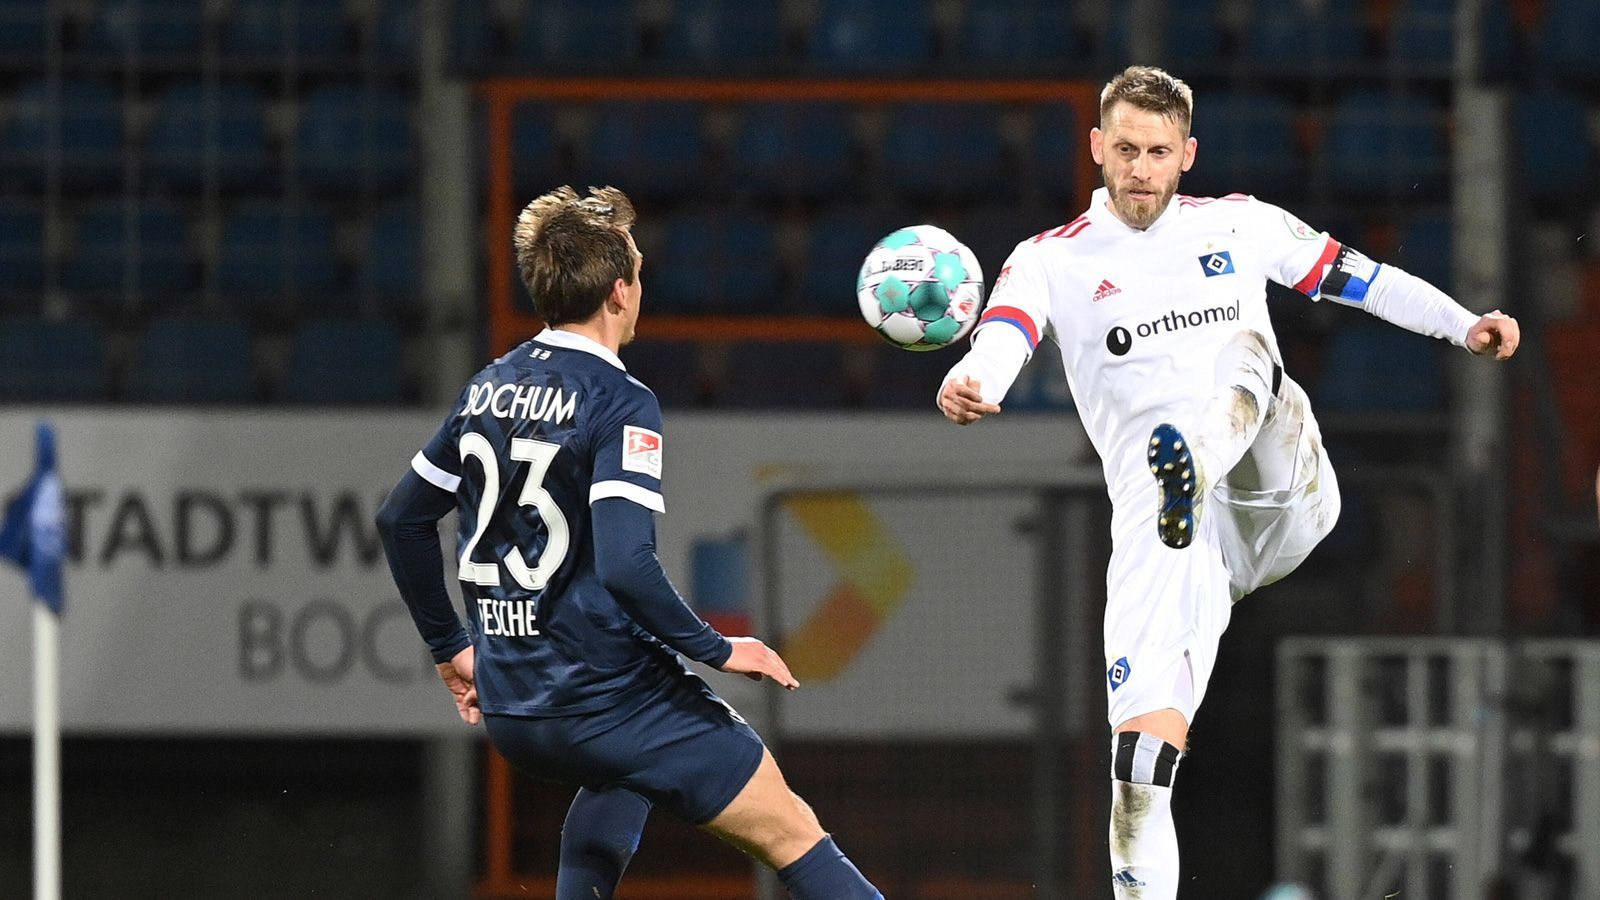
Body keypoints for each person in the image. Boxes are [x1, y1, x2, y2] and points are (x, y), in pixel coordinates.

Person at [937, 66, 1520, 899]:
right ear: (1098, 147)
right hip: (1168, 529)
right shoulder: (1046, 263)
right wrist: (971, 383)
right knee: (1137, 766)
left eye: (1159, 152)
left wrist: (1465, 324)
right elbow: (1001, 340)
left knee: (1249, 357)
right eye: (1127, 149)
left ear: (1187, 156)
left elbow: (1361, 279)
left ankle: (1203, 456)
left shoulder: (1243, 225)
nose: (1141, 168)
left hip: (1279, 489)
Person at [375, 185, 882, 900]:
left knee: (622, 774)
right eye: (638, 274)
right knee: (793, 830)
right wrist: (719, 648)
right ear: (619, 291)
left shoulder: (487, 387)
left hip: (514, 703)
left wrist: (447, 647)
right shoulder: (620, 400)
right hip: (603, 693)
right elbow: (625, 564)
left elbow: (400, 521)